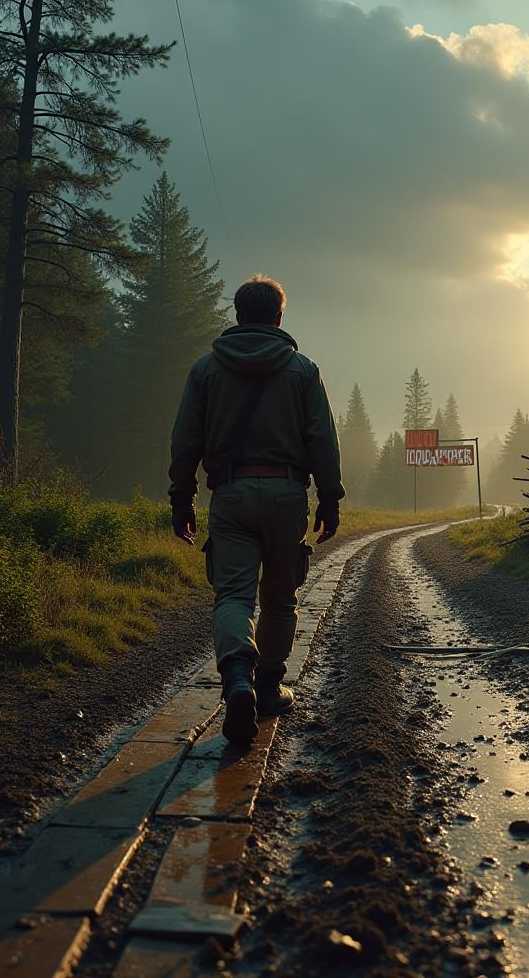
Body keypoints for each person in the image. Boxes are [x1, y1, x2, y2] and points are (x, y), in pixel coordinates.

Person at [168, 275, 343, 744]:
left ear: (239, 315)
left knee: (233, 597)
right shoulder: (303, 370)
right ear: (279, 317)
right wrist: (329, 498)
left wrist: (181, 499)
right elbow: (321, 440)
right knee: (280, 598)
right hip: (287, 495)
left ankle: (238, 682)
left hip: (231, 495)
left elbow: (185, 441)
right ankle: (268, 688)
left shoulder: (206, 370)